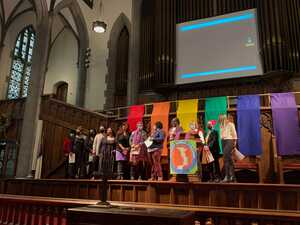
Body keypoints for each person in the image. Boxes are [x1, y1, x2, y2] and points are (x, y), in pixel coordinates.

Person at [219, 114, 237, 183]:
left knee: (225, 158)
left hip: (229, 140)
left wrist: (235, 142)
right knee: (228, 158)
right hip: (223, 141)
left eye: (221, 119)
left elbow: (234, 133)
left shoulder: (230, 124)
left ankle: (227, 176)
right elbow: (221, 135)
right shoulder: (221, 125)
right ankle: (232, 176)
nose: (220, 120)